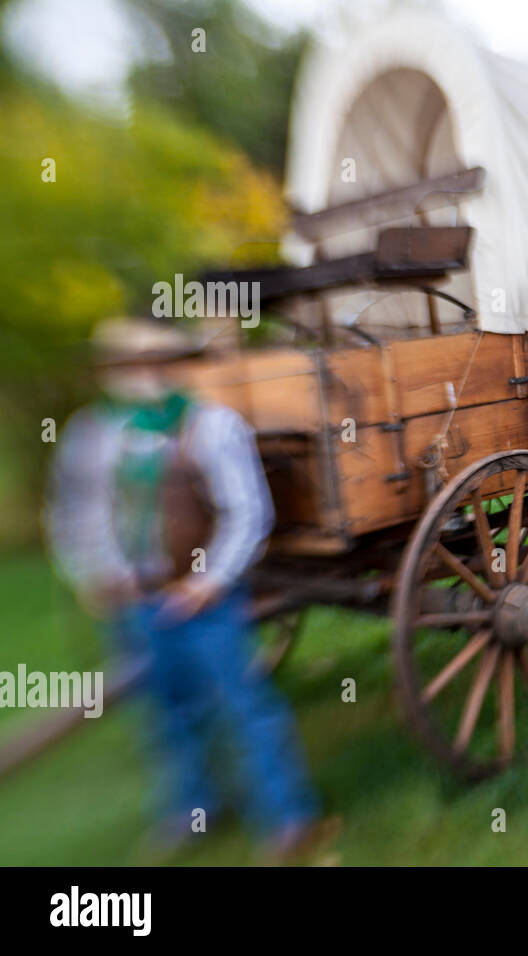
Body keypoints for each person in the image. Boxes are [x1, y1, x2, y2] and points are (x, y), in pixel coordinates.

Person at [44, 317, 325, 862]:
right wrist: (94, 573)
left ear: (171, 366)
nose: (142, 374)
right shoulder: (92, 433)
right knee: (165, 713)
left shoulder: (211, 425)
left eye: (153, 363)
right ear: (112, 371)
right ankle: (193, 811)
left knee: (246, 707)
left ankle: (289, 817)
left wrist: (208, 583)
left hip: (204, 600)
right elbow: (75, 513)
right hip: (133, 601)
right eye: (129, 365)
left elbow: (247, 512)